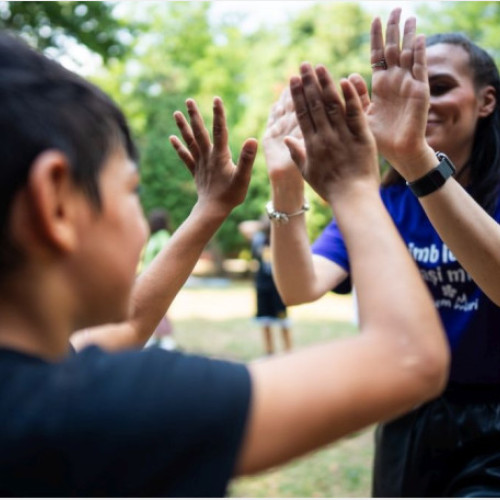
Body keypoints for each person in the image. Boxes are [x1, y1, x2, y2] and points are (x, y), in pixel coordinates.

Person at [0, 31, 448, 496]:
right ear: (55, 204)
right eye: (131, 190)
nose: (141, 221)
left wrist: (211, 208)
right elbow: (408, 357)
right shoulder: (88, 408)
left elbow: (124, 330)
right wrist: (355, 186)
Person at [265, 7, 500, 497]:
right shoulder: (385, 202)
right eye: (412, 87)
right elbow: (298, 286)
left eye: (439, 86)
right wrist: (285, 185)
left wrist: (414, 157)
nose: (423, 100)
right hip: (407, 416)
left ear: (486, 101)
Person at [239, 217, 292, 355]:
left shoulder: (281, 239)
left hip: (279, 286)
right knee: (265, 322)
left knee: (283, 321)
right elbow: (244, 226)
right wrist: (263, 223)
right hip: (263, 285)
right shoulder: (258, 239)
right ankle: (269, 352)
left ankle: (288, 352)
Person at [141, 208, 176, 350]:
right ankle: (156, 337)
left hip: (157, 280)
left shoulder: (163, 237)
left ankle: (166, 339)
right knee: (151, 309)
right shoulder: (156, 237)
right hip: (149, 279)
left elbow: (168, 259)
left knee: (157, 309)